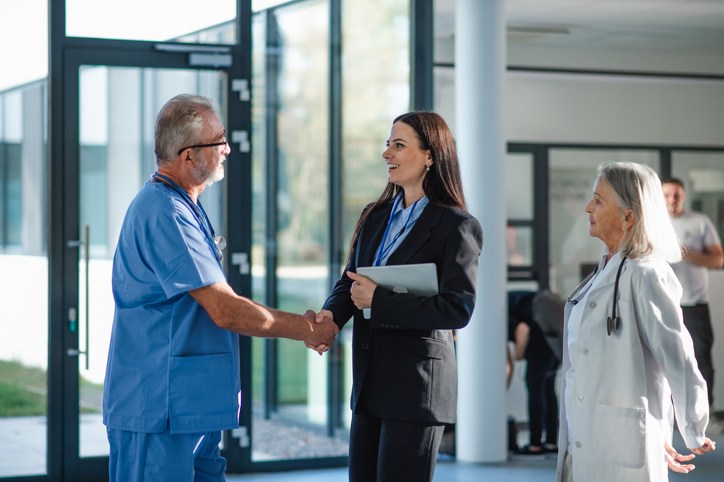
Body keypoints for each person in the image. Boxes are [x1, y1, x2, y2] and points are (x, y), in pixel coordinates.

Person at [102, 94, 338, 482]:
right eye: (218, 141)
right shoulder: (164, 212)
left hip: (189, 406)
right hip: (158, 408)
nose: (227, 149)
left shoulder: (184, 205)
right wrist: (308, 329)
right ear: (188, 156)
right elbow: (225, 309)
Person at [314, 112, 482, 482]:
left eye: (399, 145)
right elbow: (351, 281)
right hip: (370, 384)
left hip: (417, 389)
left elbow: (457, 308)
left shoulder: (456, 225)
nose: (386, 153)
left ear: (430, 156)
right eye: (388, 144)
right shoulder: (374, 216)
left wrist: (380, 301)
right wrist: (330, 317)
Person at [557, 162, 716, 482]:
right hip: (581, 434)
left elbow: (679, 357)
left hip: (622, 441)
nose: (589, 207)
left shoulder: (647, 273)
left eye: (599, 201)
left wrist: (693, 428)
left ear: (629, 215)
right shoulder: (604, 270)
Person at [661, 177, 724, 434]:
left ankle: (704, 418)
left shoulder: (699, 222)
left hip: (694, 305)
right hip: (662, 303)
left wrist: (686, 253)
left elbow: (717, 260)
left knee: (701, 361)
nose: (672, 200)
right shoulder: (650, 222)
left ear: (684, 196)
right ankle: (670, 417)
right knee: (663, 361)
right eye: (667, 194)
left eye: (677, 195)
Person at [508, 290, 560, 456]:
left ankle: (535, 444)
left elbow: (522, 330)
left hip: (540, 332)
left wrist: (519, 355)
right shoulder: (509, 299)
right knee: (547, 388)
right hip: (555, 334)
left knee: (535, 387)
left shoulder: (494, 311)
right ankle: (551, 442)